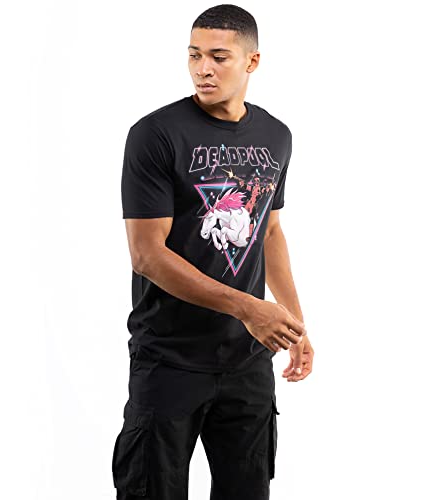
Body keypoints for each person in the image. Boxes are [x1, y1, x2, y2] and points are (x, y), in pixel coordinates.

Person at [112, 4, 314, 499]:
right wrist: (249, 308)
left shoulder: (276, 136)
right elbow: (146, 254)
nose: (203, 69)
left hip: (248, 362)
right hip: (169, 360)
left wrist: (293, 323)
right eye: (194, 55)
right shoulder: (155, 135)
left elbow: (269, 232)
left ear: (252, 61)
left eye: (219, 57)